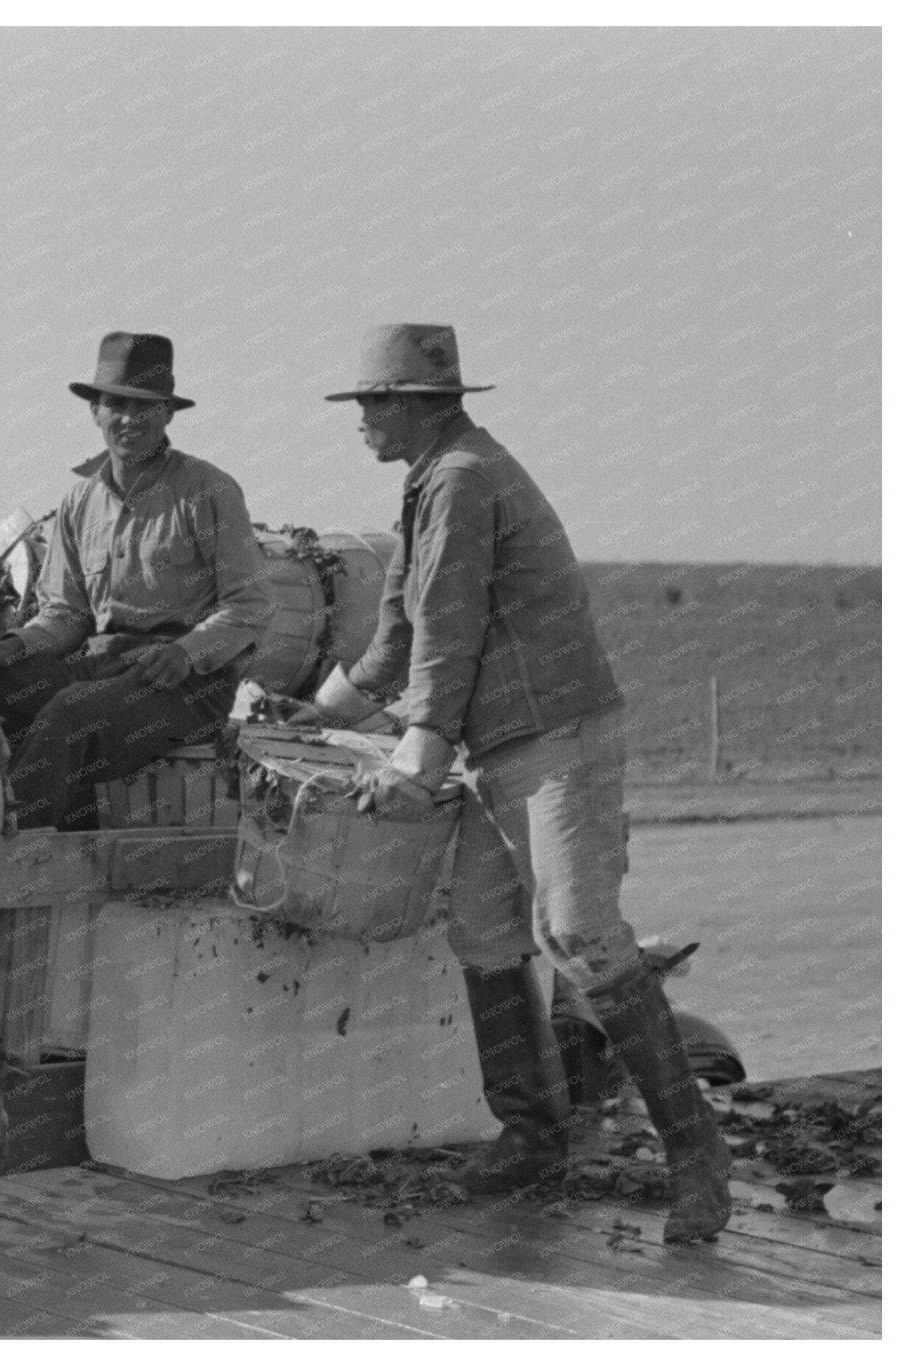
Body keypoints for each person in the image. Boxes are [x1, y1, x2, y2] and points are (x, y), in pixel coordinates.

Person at [297, 323, 732, 1242]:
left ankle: (697, 1153)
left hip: (556, 736)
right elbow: (398, 633)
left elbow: (448, 634)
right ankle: (532, 1136)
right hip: (499, 745)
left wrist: (418, 751)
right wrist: (313, 713)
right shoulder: (430, 483)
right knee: (485, 930)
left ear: (414, 405)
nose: (360, 419)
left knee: (580, 934)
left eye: (370, 401)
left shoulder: (463, 480)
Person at [0, 332, 272, 830]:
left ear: (167, 414)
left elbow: (250, 605)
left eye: (145, 407)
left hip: (186, 684)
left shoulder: (206, 490)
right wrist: (12, 645)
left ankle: (16, 850)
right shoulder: (79, 503)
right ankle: (68, 832)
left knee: (72, 713)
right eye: (117, 405)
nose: (129, 419)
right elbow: (66, 614)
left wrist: (187, 652)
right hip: (103, 667)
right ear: (94, 412)